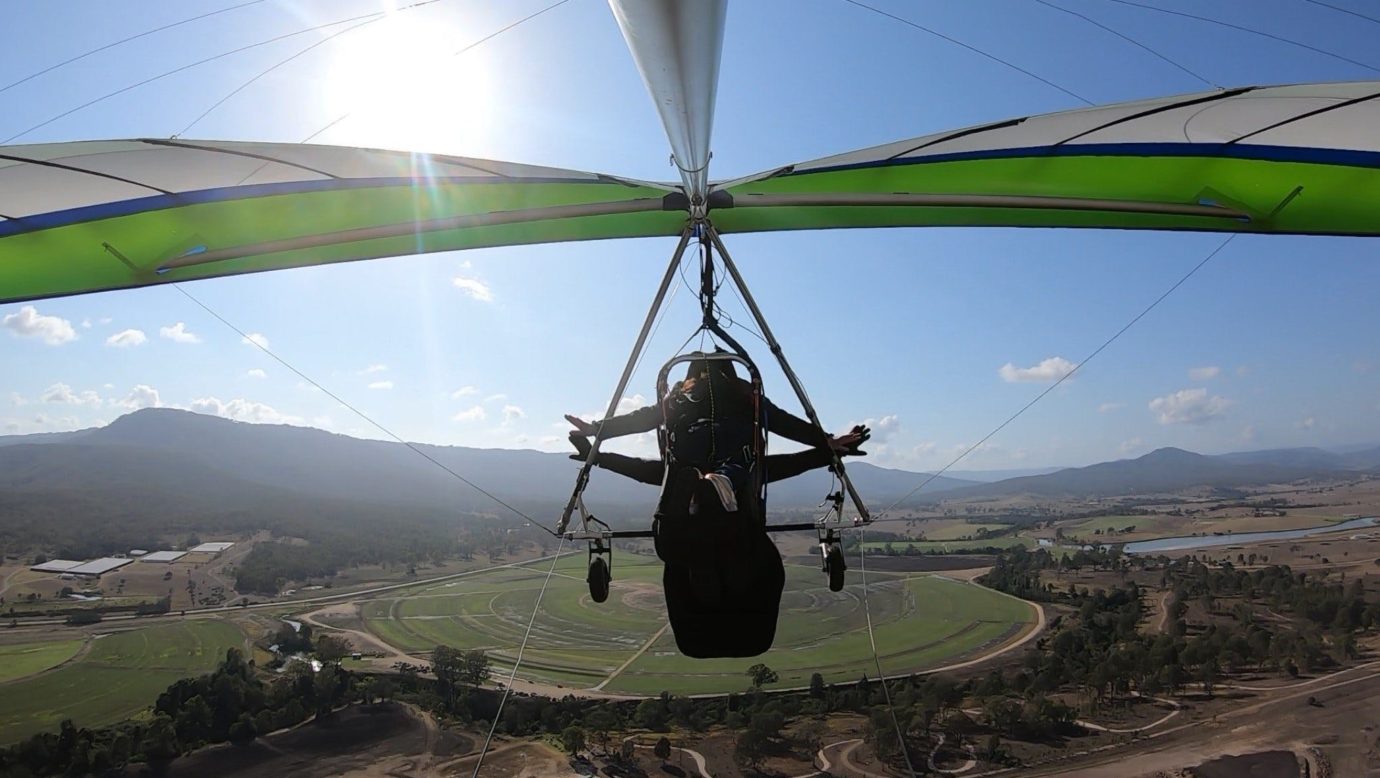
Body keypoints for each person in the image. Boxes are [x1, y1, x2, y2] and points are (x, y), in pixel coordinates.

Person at [565, 354, 867, 514]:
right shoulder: (746, 395)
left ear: (690, 375)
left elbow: (643, 425)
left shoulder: (681, 398)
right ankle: (723, 479)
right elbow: (781, 425)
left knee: (675, 474)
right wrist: (828, 444)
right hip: (735, 460)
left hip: (688, 462)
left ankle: (701, 482)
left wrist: (597, 439)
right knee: (745, 468)